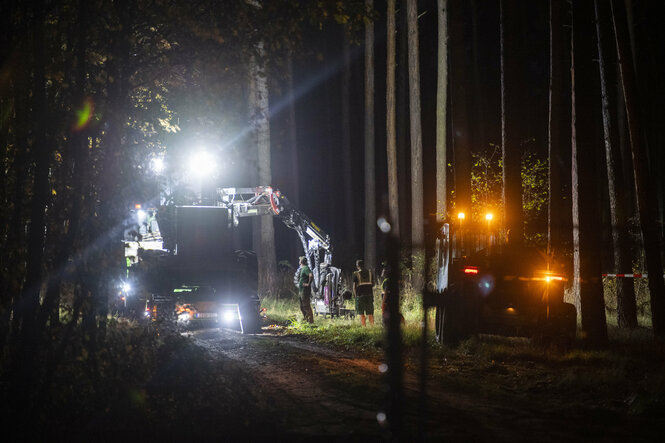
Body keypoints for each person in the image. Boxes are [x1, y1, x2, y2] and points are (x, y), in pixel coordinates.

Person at [352, 259, 374, 326]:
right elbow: (373, 284)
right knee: (370, 313)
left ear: (357, 266)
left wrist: (356, 296)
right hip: (369, 295)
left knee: (361, 313)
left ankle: (364, 327)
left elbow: (354, 287)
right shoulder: (370, 273)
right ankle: (372, 327)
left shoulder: (356, 274)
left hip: (360, 295)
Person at [297, 256, 314, 323]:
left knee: (306, 305)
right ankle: (306, 318)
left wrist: (308, 284)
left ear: (301, 261)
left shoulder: (306, 268)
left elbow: (311, 275)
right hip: (301, 290)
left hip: (305, 290)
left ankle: (310, 321)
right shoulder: (303, 268)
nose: (299, 261)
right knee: (302, 306)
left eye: (299, 260)